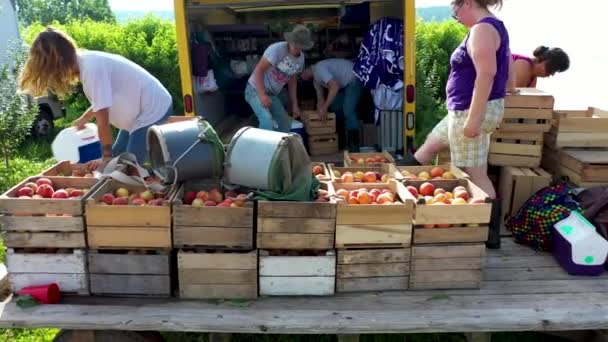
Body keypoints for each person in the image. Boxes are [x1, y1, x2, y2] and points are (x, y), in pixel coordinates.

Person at [402, 0, 510, 249]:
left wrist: (473, 119)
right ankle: (397, 185)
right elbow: (506, 72)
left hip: (469, 112)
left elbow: (487, 74)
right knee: (430, 145)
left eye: (455, 13)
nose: (457, 19)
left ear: (468, 3)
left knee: (476, 172)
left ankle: (490, 233)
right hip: (461, 111)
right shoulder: (494, 27)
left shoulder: (482, 29)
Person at [19, 27, 173, 166]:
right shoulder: (87, 63)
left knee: (130, 165)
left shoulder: (92, 69)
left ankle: (159, 183)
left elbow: (103, 121)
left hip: (152, 109)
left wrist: (105, 156)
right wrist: (85, 118)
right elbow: (102, 100)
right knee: (118, 157)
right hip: (138, 114)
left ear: (57, 62)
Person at [245, 25, 313, 133]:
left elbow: (292, 81)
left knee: (284, 124)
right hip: (255, 89)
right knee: (267, 120)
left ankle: (279, 149)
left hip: (272, 94)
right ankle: (262, 149)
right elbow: (258, 70)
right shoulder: (276, 49)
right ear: (290, 40)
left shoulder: (300, 59)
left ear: (303, 46)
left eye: (299, 45)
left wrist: (294, 104)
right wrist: (262, 94)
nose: (295, 47)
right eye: (294, 44)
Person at [300, 58, 363, 151]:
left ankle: (354, 146)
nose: (301, 78)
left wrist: (325, 107)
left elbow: (334, 86)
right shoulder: (315, 79)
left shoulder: (319, 69)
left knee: (348, 110)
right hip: (342, 83)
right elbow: (320, 98)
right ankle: (341, 142)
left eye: (300, 75)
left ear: (306, 69)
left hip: (353, 77)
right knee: (335, 108)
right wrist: (320, 109)